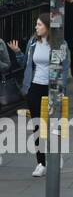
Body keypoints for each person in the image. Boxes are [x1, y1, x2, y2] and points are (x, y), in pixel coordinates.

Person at [8, 14, 55, 176]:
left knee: (52, 125)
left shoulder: (58, 44)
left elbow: (63, 69)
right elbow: (25, 64)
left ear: (48, 27)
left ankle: (55, 156)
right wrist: (18, 52)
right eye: (36, 24)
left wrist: (58, 91)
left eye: (39, 25)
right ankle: (41, 163)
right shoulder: (33, 42)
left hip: (51, 88)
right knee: (37, 125)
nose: (36, 27)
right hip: (34, 87)